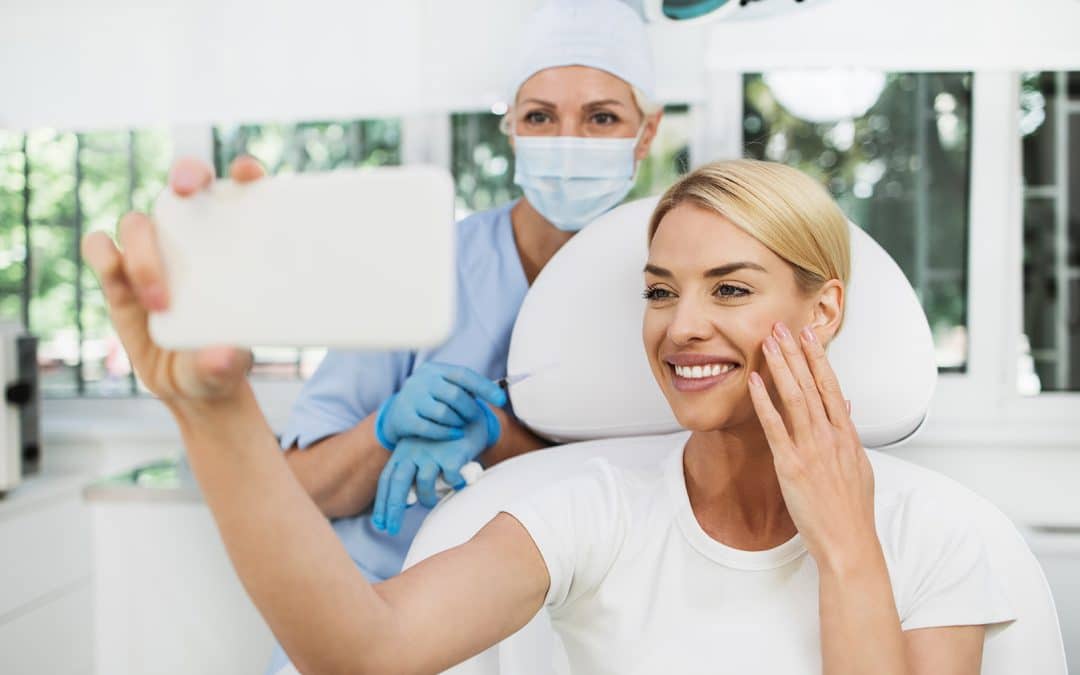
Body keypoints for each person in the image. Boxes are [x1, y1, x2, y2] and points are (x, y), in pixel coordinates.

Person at [84, 158, 1013, 674]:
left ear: (824, 312)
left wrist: (848, 549)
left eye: (730, 287)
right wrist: (212, 411)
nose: (683, 325)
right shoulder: (593, 508)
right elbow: (360, 652)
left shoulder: (931, 531)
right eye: (660, 291)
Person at [153, 1, 662, 670]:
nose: (568, 141)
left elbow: (669, 485)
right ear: (509, 126)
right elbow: (300, 489)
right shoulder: (426, 263)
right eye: (540, 116)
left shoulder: (669, 281)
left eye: (602, 117)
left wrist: (498, 433)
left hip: (550, 635)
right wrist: (385, 427)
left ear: (646, 133)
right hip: (371, 608)